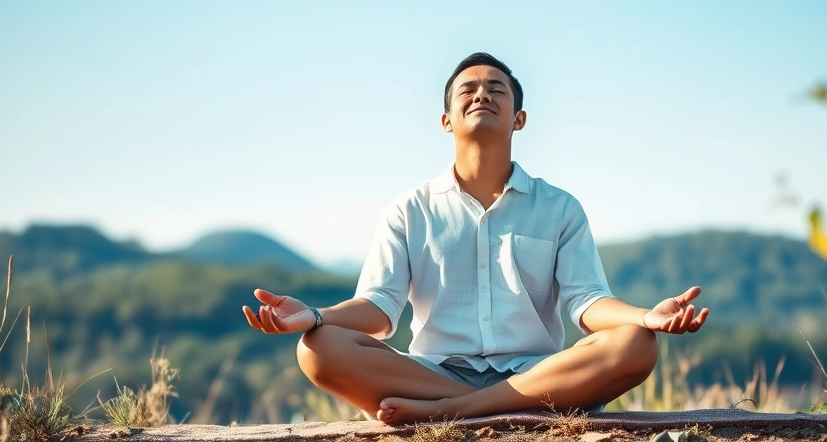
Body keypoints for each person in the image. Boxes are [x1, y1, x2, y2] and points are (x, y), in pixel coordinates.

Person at [243, 52, 708, 425]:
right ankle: (515, 410)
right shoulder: (409, 209)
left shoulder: (560, 208)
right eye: (468, 88)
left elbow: (587, 303)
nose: (481, 93)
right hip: (434, 373)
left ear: (519, 119)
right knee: (318, 349)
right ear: (446, 119)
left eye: (495, 88)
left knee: (635, 344)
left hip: (536, 370)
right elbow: (379, 308)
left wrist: (646, 317)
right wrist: (316, 316)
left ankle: (451, 414)